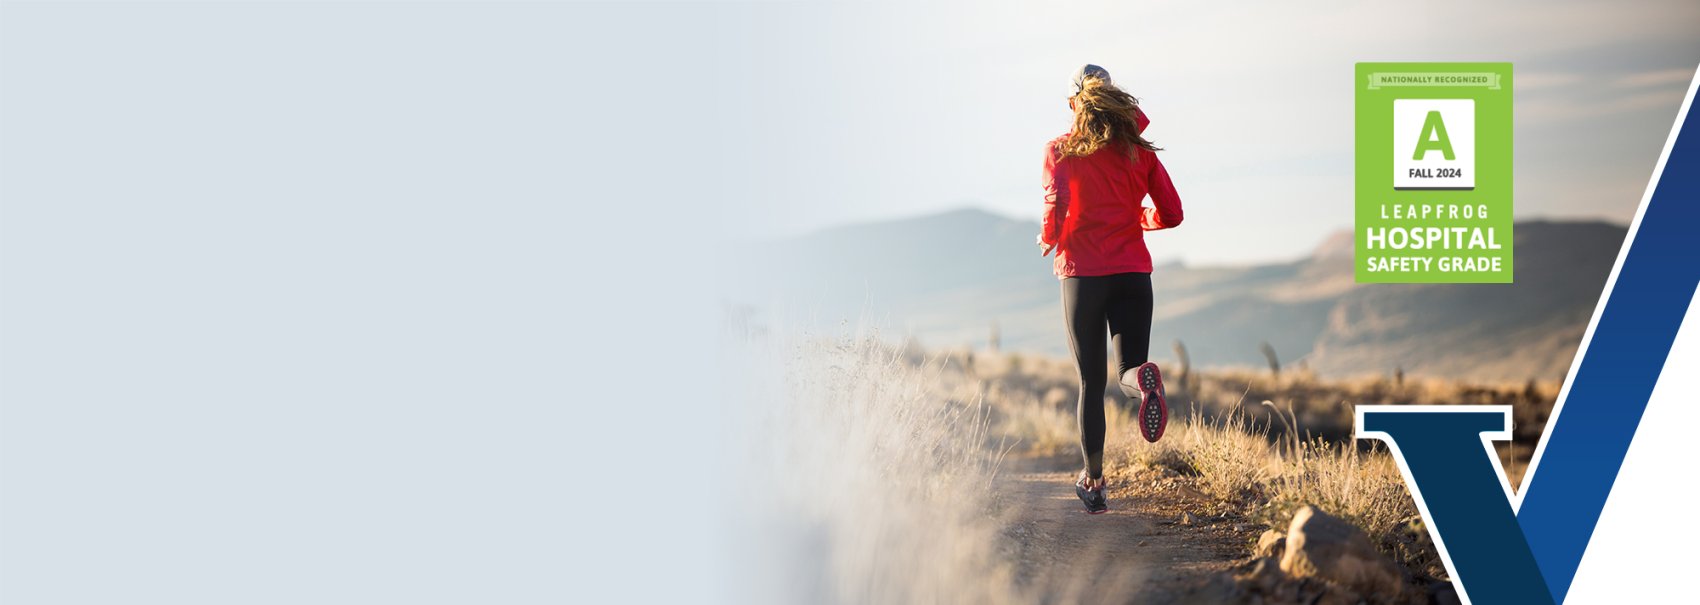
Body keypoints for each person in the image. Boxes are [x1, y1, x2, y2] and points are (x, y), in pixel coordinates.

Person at [1038, 64, 1184, 514]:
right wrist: (1139, 218)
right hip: (1133, 275)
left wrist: (1048, 238)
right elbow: (1172, 212)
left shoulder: (1060, 150)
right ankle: (1143, 381)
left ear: (1075, 104)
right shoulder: (1139, 153)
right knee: (1128, 370)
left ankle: (1095, 483)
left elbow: (1055, 203)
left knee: (1089, 381)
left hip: (1083, 275)